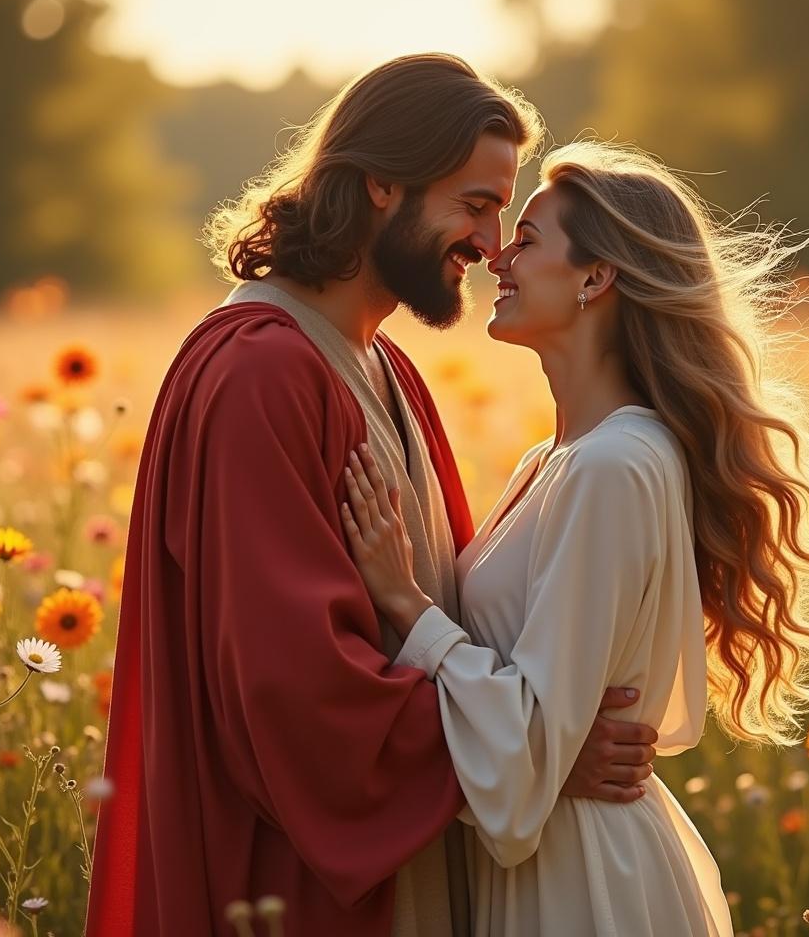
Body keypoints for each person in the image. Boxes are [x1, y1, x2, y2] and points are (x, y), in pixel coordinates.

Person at [85, 56, 660, 937]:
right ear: (380, 185)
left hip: (407, 870)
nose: (493, 242)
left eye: (503, 211)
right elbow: (291, 692)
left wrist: (532, 741)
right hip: (296, 885)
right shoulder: (261, 374)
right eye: (474, 205)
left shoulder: (383, 367)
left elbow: (440, 618)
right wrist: (523, 757)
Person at [338, 140, 809, 935]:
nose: (498, 256)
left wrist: (405, 600)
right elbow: (545, 734)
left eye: (527, 240)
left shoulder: (613, 466)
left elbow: (531, 746)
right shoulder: (554, 462)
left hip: (584, 884)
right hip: (546, 866)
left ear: (596, 278)